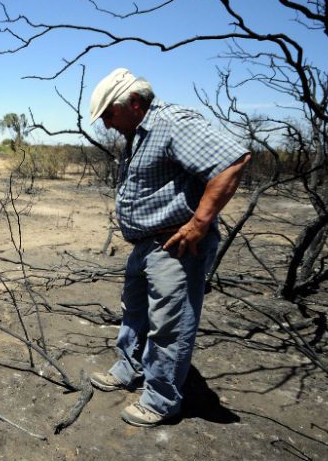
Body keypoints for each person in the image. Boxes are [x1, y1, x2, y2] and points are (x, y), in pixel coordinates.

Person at [88, 68, 251, 427]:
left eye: (109, 115)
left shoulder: (173, 122)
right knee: (135, 311)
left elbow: (232, 162)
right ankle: (128, 368)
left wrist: (198, 223)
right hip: (146, 244)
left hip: (174, 245)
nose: (108, 125)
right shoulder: (139, 134)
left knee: (169, 324)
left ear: (133, 103)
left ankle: (161, 399)